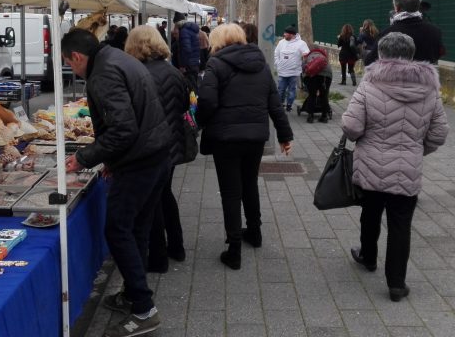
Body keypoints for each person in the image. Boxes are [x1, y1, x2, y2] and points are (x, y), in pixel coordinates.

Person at [61, 28, 171, 336]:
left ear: (78, 57)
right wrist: (110, 160)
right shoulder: (115, 57)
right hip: (154, 153)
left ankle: (144, 309)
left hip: (142, 161)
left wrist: (84, 158)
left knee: (118, 228)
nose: (71, 68)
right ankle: (133, 294)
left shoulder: (103, 73)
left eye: (69, 63)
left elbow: (123, 129)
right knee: (137, 228)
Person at [342, 32, 449, 303]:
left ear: (382, 54)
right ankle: (397, 284)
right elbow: (439, 133)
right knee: (401, 224)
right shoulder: (430, 89)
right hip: (409, 167)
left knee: (370, 211)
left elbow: (352, 127)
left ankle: (368, 256)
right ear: (412, 55)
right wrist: (415, 149)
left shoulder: (369, 84)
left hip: (371, 165)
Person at [197, 24, 294, 270]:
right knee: (250, 184)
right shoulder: (261, 65)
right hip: (255, 138)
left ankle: (234, 249)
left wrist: (198, 124)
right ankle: (255, 232)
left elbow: (207, 101)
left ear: (218, 41)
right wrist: (285, 136)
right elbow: (275, 104)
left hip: (225, 139)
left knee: (231, 192)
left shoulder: (215, 65)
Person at [124, 25, 189, 273]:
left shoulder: (139, 74)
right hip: (172, 142)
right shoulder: (172, 72)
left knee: (153, 200)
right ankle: (177, 246)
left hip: (151, 145)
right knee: (165, 194)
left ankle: (159, 257)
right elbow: (183, 105)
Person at [364, 0, 444, 65]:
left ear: (397, 8)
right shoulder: (435, 32)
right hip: (426, 77)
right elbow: (438, 54)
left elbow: (369, 61)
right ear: (418, 5)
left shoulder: (387, 34)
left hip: (396, 77)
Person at [273, 25, 309, 111]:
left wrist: (305, 56)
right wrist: (278, 63)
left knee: (292, 91)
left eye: (286, 33)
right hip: (282, 72)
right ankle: (280, 105)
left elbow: (307, 53)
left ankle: (289, 105)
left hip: (294, 73)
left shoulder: (301, 43)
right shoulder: (281, 42)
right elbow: (276, 54)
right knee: (281, 90)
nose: (284, 34)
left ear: (292, 35)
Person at [298, 46, 332, 123]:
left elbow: (303, 68)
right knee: (324, 95)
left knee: (312, 95)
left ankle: (310, 116)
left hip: (311, 76)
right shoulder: (324, 57)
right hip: (326, 76)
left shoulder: (308, 57)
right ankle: (324, 116)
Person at [173, 13, 201, 91]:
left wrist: (183, 65)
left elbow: (186, 49)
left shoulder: (184, 31)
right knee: (193, 85)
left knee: (191, 87)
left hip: (189, 65)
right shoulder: (191, 30)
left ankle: (193, 103)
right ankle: (194, 102)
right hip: (194, 62)